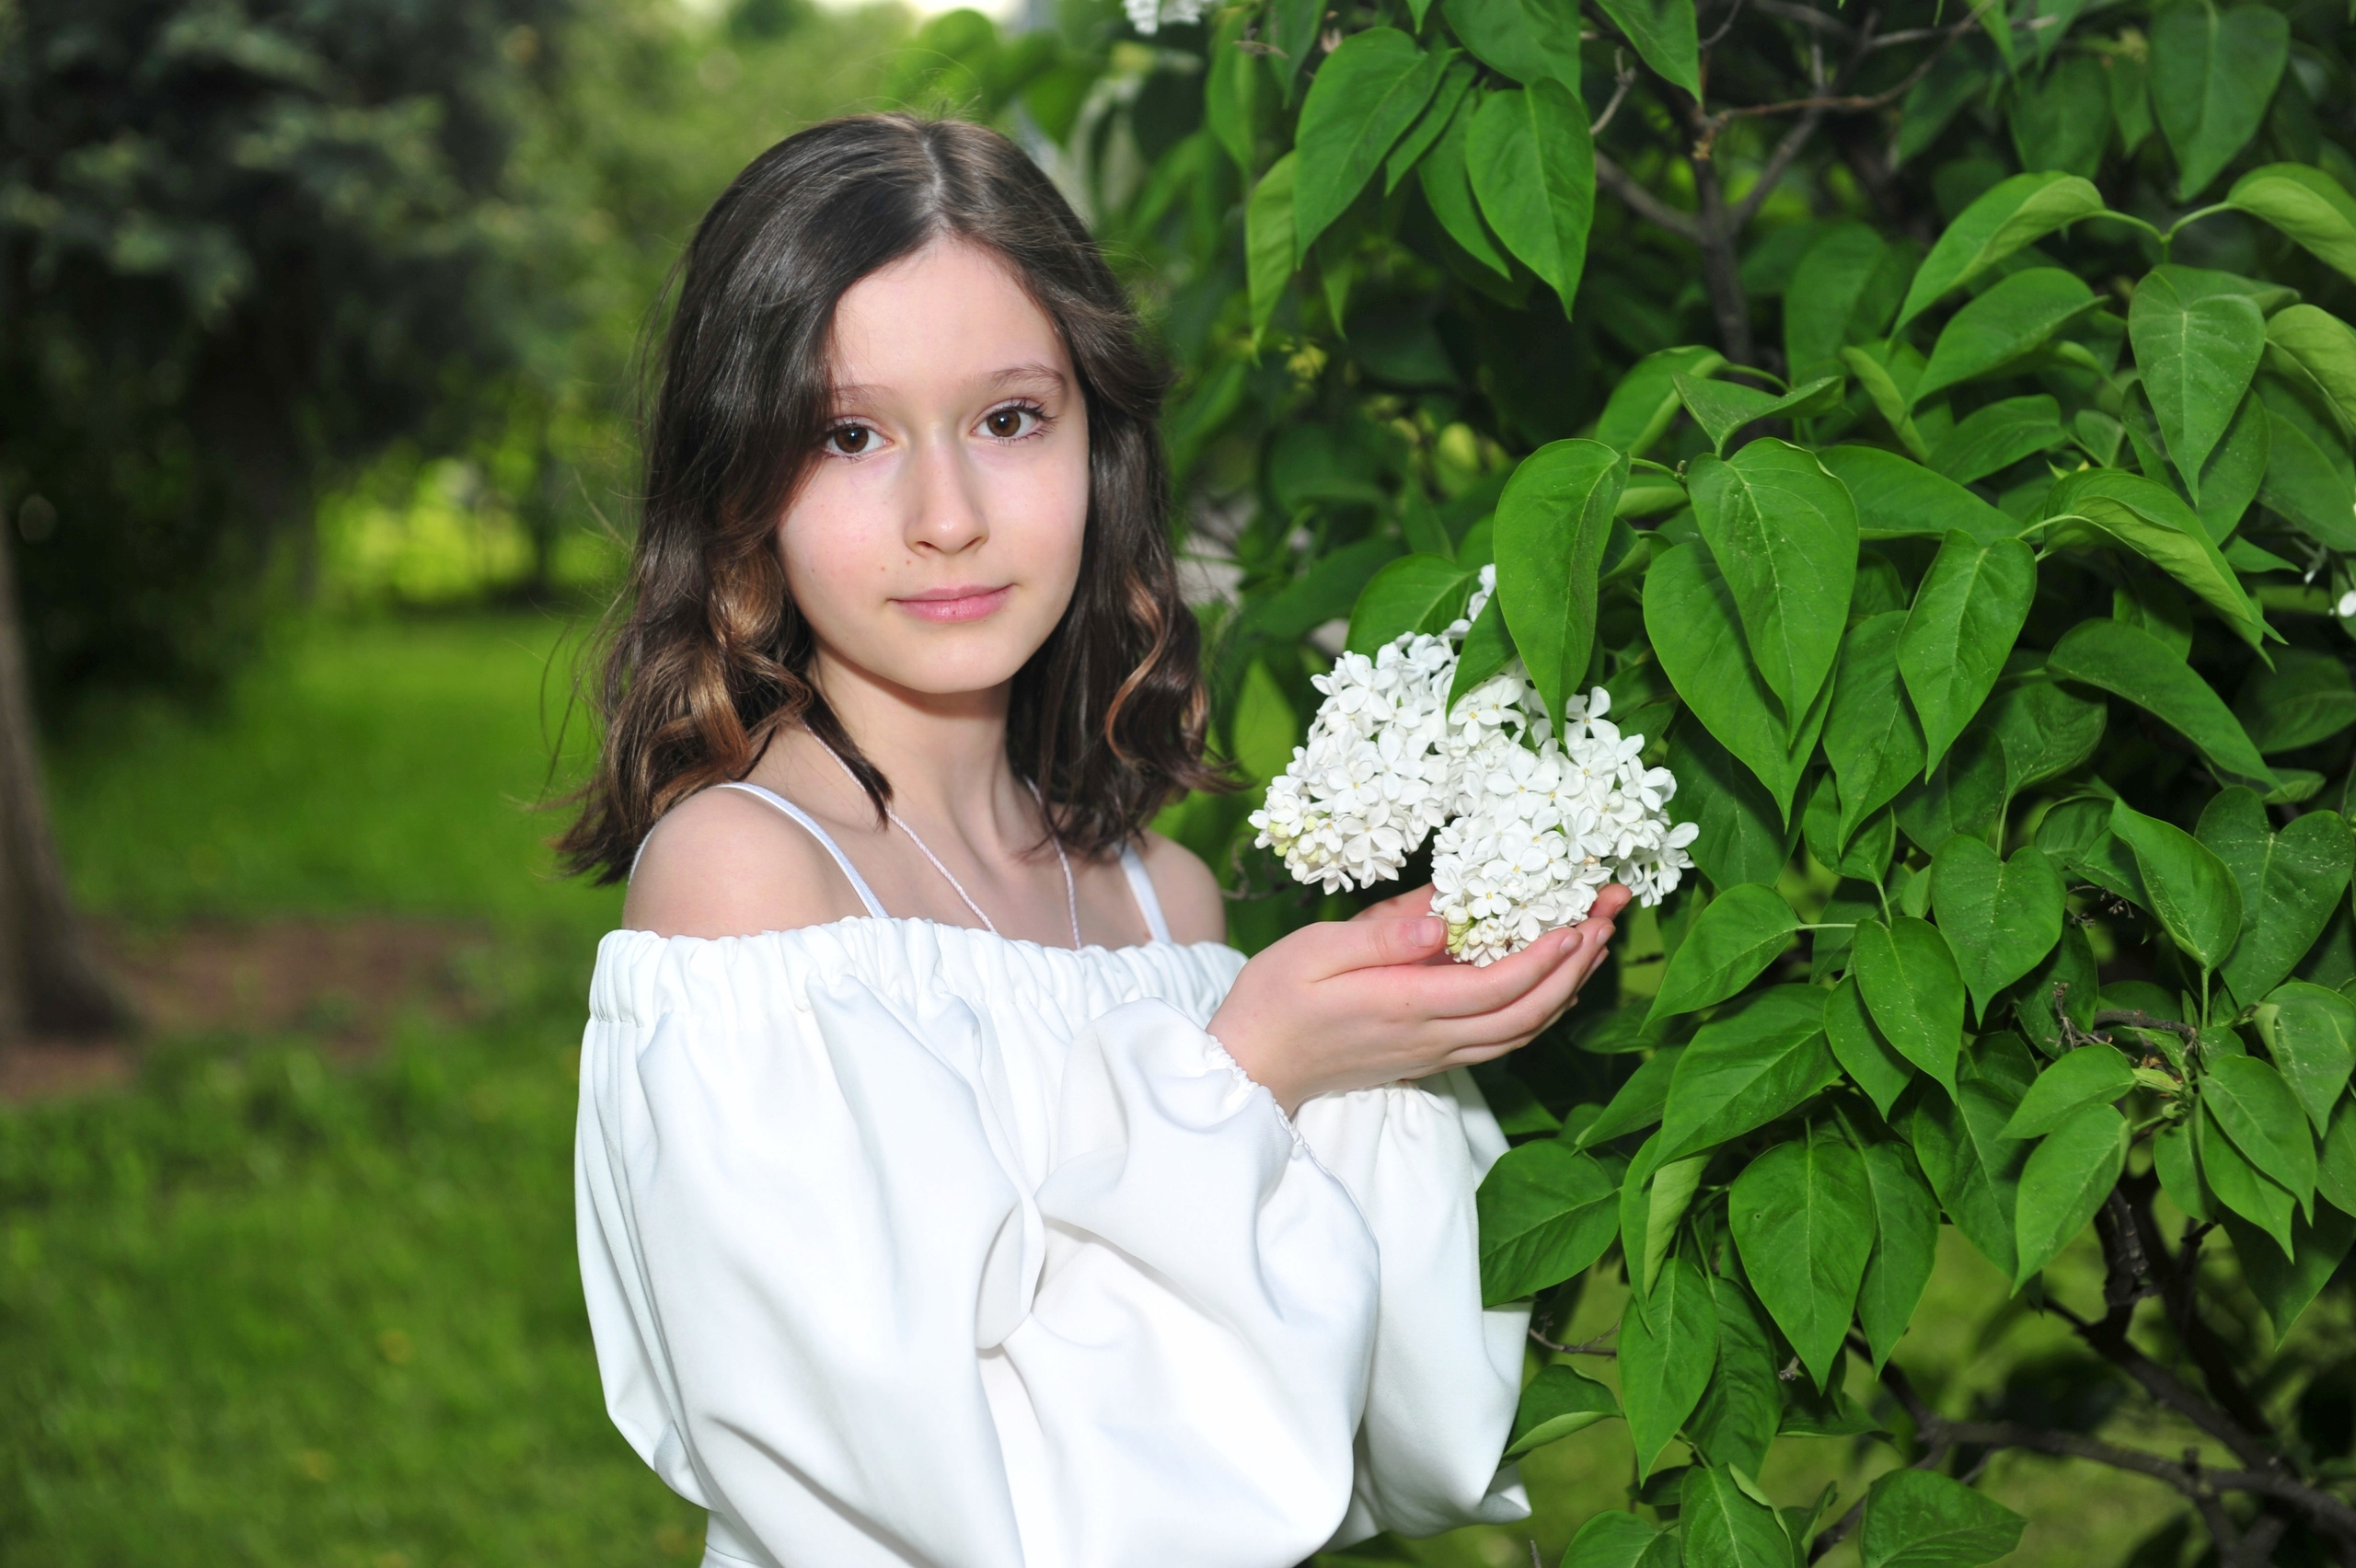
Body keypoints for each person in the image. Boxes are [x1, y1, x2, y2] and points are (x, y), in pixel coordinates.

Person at [560, 114, 1628, 1568]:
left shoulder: (1161, 901)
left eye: (1010, 420)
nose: (948, 517)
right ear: (742, 483)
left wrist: (1380, 1058)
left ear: (1098, 443)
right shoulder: (754, 886)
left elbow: (1405, 1437)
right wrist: (1247, 1080)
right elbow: (947, 1508)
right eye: (850, 433)